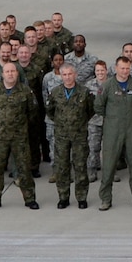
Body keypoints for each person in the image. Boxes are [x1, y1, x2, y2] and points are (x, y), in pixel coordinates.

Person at [0, 61, 40, 211]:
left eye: (13, 71)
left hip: (19, 137)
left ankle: (30, 198)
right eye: (7, 72)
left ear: (17, 73)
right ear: (2, 74)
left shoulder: (25, 91)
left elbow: (32, 111)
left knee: (24, 168)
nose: (10, 74)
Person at [96, 56, 132, 211]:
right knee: (109, 165)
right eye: (122, 68)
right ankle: (106, 199)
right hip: (112, 130)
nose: (125, 71)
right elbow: (98, 106)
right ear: (116, 68)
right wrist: (113, 118)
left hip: (131, 129)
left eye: (127, 68)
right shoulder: (107, 86)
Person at [45, 63, 94, 209]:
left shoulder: (85, 92)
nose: (67, 77)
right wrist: (62, 123)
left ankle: (81, 197)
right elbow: (50, 111)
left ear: (75, 75)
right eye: (64, 74)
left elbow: (90, 110)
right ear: (61, 76)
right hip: (61, 136)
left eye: (70, 74)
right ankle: (63, 197)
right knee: (62, 167)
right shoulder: (55, 92)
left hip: (79, 135)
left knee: (80, 166)